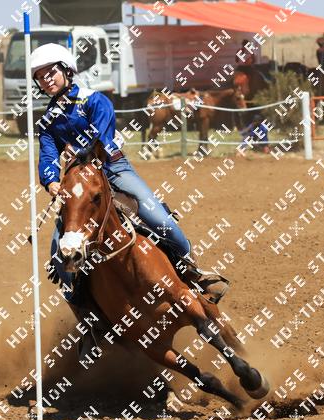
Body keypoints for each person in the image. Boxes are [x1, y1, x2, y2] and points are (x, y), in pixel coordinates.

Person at [29, 43, 228, 355]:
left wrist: (79, 154)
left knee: (159, 218)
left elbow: (101, 134)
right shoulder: (48, 119)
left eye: (50, 72)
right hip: (79, 181)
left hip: (113, 168)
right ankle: (90, 322)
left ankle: (192, 271)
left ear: (66, 71)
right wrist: (52, 179)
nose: (46, 80)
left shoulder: (94, 99)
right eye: (40, 77)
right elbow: (48, 152)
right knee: (59, 254)